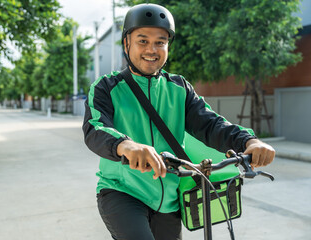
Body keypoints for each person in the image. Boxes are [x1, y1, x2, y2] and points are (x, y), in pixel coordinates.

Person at [82, 3, 275, 240]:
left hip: (169, 201)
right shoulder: (107, 87)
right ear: (126, 43)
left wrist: (249, 141)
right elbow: (95, 128)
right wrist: (126, 145)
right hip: (123, 192)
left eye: (160, 42)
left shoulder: (179, 88)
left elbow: (211, 124)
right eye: (142, 41)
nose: (151, 49)